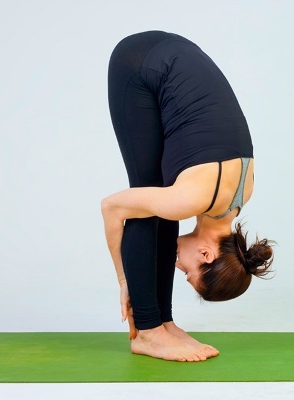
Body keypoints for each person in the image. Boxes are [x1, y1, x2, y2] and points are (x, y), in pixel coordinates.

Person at [101, 30, 274, 362]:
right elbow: (112, 208)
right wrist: (125, 280)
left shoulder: (240, 194)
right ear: (207, 255)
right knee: (145, 200)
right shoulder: (190, 197)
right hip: (137, 62)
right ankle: (148, 335)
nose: (177, 265)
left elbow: (171, 205)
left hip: (176, 51)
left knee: (158, 203)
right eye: (188, 271)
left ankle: (163, 323)